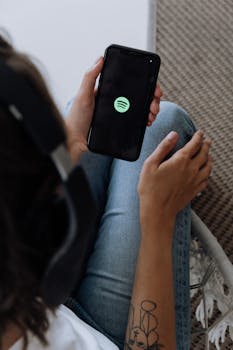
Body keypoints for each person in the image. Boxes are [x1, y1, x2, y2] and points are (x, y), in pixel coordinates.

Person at [0, 33, 212, 350]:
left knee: (113, 121)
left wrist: (70, 141)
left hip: (44, 298)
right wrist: (157, 220)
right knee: (163, 124)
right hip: (111, 339)